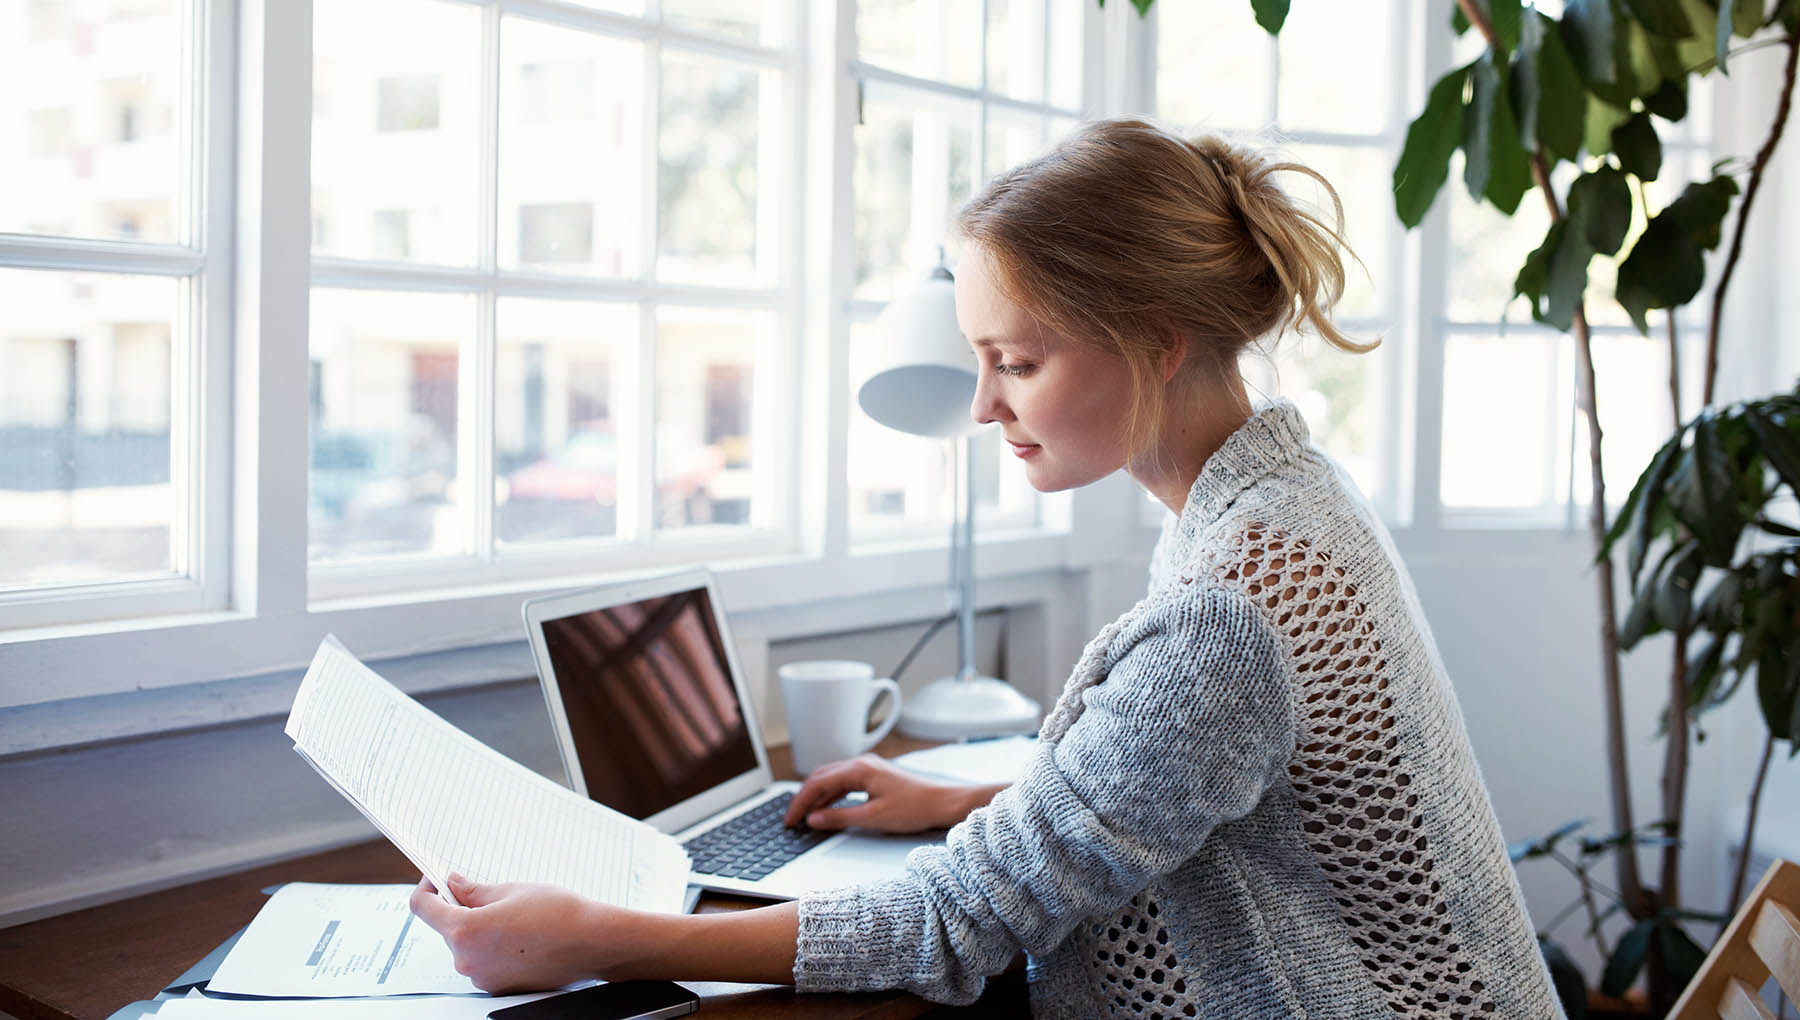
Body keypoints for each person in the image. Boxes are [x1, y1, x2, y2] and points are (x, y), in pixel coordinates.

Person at [410, 118, 1564, 1019]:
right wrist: (966, 800)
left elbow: (952, 928)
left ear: (1156, 340)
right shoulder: (1286, 500)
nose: (983, 404)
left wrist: (603, 936)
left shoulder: (1232, 612)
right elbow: (1196, 791)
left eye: (1014, 358)